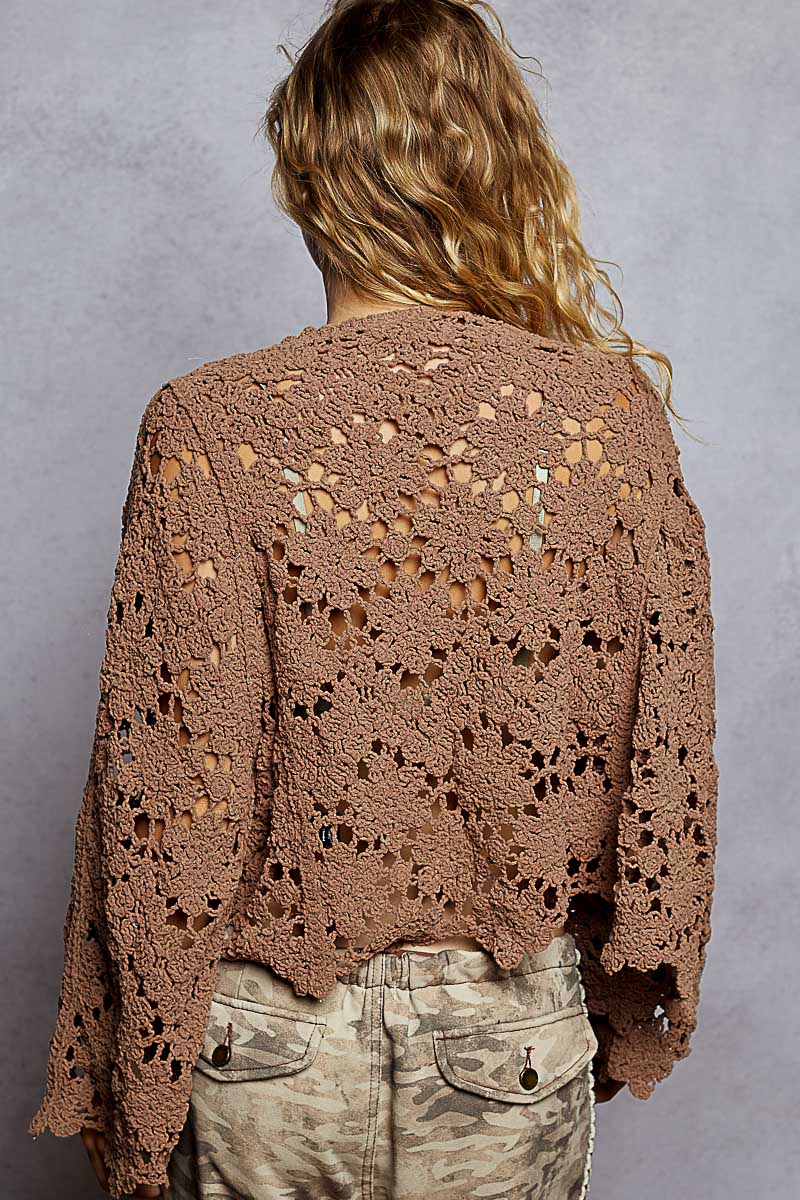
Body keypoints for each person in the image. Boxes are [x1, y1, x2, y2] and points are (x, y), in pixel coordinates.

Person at [29, 2, 718, 1198]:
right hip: (505, 1038)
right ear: (493, 163)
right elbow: (663, 751)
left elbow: (170, 800)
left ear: (309, 180)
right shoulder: (603, 426)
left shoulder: (211, 427)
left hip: (262, 1047)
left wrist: (133, 1069)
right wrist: (619, 979)